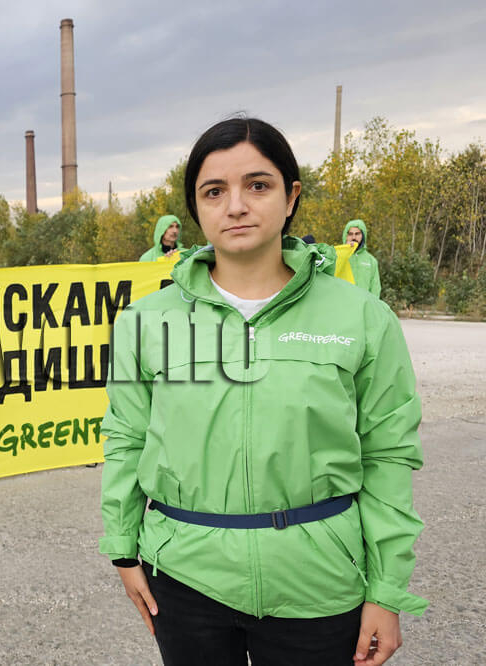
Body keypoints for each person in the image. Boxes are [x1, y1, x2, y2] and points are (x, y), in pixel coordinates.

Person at [100, 118, 425, 666]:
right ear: (195, 207)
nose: (236, 206)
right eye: (214, 191)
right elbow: (125, 438)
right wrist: (122, 550)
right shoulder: (144, 321)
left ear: (291, 194)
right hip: (184, 578)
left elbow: (388, 455)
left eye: (258, 184)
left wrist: (386, 591)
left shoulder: (362, 318)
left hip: (320, 581)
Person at [343, 219, 382, 298]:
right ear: (346, 236)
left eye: (357, 234)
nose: (354, 237)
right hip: (343, 306)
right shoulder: (338, 257)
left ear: (363, 235)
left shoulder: (371, 261)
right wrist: (345, 251)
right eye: (350, 234)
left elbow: (375, 288)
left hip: (364, 306)